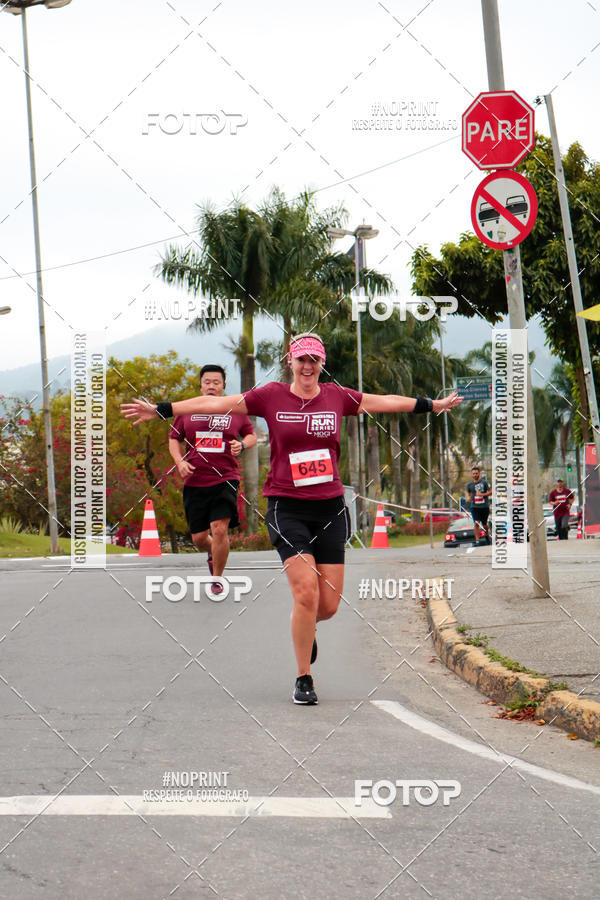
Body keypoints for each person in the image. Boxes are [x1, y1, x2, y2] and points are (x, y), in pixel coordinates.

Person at [122, 333, 463, 705]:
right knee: (305, 593)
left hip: (330, 508)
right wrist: (162, 409)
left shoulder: (337, 396)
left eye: (314, 360)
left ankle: (308, 626)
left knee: (328, 606)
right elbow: (212, 401)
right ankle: (304, 677)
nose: (307, 367)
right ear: (290, 361)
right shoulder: (269, 396)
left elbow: (385, 402)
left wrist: (432, 405)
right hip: (287, 507)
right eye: (301, 359)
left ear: (322, 363)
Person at [168, 364, 256, 591]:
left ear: (224, 386)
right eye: (207, 382)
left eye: (216, 382)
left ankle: (217, 579)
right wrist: (179, 462)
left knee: (219, 528)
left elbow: (251, 435)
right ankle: (212, 553)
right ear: (200, 384)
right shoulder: (188, 409)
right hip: (195, 480)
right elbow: (174, 439)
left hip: (226, 477)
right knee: (199, 538)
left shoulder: (234, 408)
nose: (211, 386)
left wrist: (243, 444)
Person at [466, 465, 492, 545]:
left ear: (479, 473)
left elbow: (491, 491)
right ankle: (477, 541)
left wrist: (483, 494)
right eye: (473, 473)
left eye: (476, 473)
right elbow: (467, 494)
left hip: (484, 506)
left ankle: (487, 535)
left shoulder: (484, 482)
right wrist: (468, 498)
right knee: (476, 523)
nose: (475, 475)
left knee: (484, 525)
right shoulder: (469, 485)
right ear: (472, 474)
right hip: (474, 507)